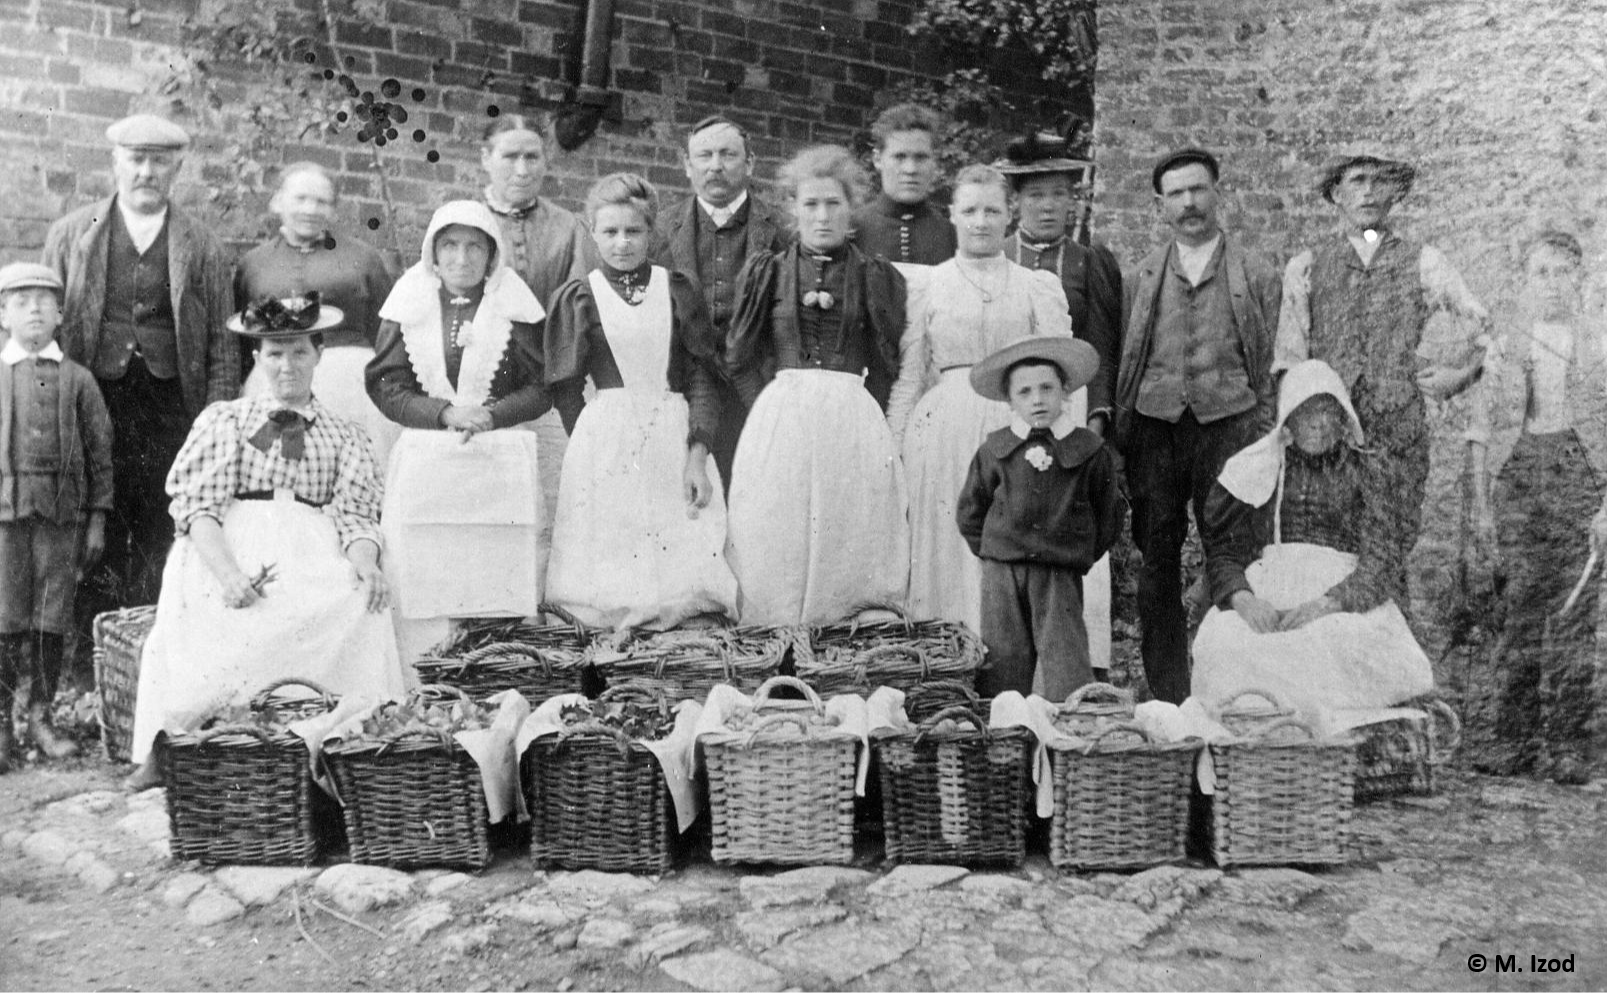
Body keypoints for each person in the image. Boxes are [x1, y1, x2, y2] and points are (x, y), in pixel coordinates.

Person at [127, 294, 407, 787]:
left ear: (319, 355)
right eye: (274, 354)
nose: (287, 366)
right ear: (257, 358)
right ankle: (173, 742)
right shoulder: (227, 420)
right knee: (206, 611)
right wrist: (228, 572)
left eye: (299, 352)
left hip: (311, 549)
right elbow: (199, 507)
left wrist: (365, 562)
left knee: (359, 600)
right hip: (230, 547)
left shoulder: (344, 435)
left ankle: (333, 746)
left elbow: (356, 515)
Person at [1274, 147, 1491, 613]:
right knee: (1333, 556)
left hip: (1397, 437)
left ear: (1395, 193)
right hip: (1329, 442)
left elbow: (1485, 328)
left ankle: (1396, 671)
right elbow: (1290, 362)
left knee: (1388, 555)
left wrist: (1460, 373)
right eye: (1357, 181)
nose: (1369, 191)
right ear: (1336, 194)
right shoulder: (1308, 266)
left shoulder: (1424, 261)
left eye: (1379, 181)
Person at [41, 114, 237, 612]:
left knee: (160, 520)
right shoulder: (71, 235)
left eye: (160, 161)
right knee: (92, 517)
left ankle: (149, 643)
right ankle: (90, 650)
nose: (147, 171)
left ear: (177, 169)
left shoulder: (203, 246)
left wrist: (214, 422)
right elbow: (45, 328)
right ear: (116, 163)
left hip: (170, 404)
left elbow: (221, 342)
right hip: (95, 396)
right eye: (137, 159)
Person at [1113, 147, 1281, 705]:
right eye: (1176, 193)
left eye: (1198, 190)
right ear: (1160, 205)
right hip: (1155, 429)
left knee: (1230, 555)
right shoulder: (1140, 277)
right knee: (1157, 560)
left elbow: (1271, 360)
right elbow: (1127, 359)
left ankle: (1224, 685)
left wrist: (1262, 427)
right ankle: (1169, 695)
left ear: (1218, 194)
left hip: (1227, 427)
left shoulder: (1255, 274)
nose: (1189, 203)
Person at [725, 144, 911, 626]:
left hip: (852, 420)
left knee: (846, 532)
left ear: (852, 211)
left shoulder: (875, 277)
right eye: (811, 204)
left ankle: (839, 652)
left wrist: (869, 421)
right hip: (780, 421)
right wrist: (768, 410)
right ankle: (773, 645)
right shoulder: (768, 271)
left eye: (834, 204)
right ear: (793, 209)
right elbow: (739, 358)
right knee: (777, 532)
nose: (822, 215)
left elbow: (888, 367)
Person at [544, 173, 739, 630]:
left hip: (672, 435)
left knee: (682, 563)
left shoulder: (675, 289)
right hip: (606, 442)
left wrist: (697, 452)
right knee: (609, 570)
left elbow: (701, 379)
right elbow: (565, 387)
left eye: (634, 231)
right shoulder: (580, 296)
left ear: (651, 233)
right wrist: (593, 438)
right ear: (592, 233)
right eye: (609, 232)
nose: (622, 243)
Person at [886, 164, 1074, 635]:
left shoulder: (1035, 285)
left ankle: (1009, 664)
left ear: (1010, 216)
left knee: (1012, 544)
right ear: (952, 214)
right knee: (948, 542)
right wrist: (894, 449)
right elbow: (909, 376)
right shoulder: (929, 285)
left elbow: (1059, 374)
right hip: (944, 429)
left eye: (992, 210)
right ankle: (945, 662)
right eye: (970, 210)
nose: (981, 221)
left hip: (1017, 428)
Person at [1193, 359, 1432, 722]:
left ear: (1343, 418)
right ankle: (1256, 744)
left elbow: (1381, 559)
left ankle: (1331, 750)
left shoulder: (1364, 471)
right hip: (1268, 585)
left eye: (1327, 410)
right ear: (1288, 418)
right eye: (1307, 411)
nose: (1319, 422)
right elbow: (1225, 549)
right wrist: (1242, 599)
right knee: (1225, 640)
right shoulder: (1261, 468)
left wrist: (1328, 603)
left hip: (1340, 594)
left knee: (1337, 641)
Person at [366, 200, 549, 660]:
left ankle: (496, 668)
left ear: (492, 255)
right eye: (450, 246)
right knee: (426, 567)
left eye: (474, 247)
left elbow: (542, 385)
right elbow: (386, 385)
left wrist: (493, 413)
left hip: (497, 459)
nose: (461, 259)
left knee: (493, 570)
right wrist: (444, 413)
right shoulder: (409, 302)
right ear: (433, 251)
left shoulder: (514, 303)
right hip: (428, 459)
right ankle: (425, 667)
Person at [1469, 230, 1602, 784]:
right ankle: (1512, 740)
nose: (1552, 284)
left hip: (1580, 474)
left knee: (1575, 610)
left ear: (1579, 279)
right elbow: (1480, 430)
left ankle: (1568, 744)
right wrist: (1480, 505)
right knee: (1518, 604)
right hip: (1521, 472)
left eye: (1562, 272)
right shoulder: (1505, 345)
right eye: (1541, 273)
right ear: (1525, 281)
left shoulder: (1598, 345)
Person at [956, 336, 1123, 699]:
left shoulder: (1088, 450)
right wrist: (994, 550)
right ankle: (1007, 738)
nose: (1037, 399)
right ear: (1010, 400)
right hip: (1003, 572)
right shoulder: (995, 449)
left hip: (1058, 571)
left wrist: (1076, 552)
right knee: (1003, 660)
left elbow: (1108, 513)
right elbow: (971, 510)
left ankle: (1070, 737)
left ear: (1065, 391)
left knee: (1067, 659)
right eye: (1025, 391)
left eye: (1047, 388)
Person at [0, 263, 112, 770]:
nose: (34, 312)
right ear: (3, 313)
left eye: (45, 302)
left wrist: (96, 518)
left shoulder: (78, 380)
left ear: (62, 313)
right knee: (4, 620)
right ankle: (2, 723)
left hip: (61, 519)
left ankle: (41, 717)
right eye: (21, 302)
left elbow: (100, 453)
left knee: (50, 619)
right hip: (5, 518)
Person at [651, 116, 791, 491]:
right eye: (705, 155)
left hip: (757, 390)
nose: (715, 166)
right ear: (687, 165)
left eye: (728, 155)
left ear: (749, 164)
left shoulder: (779, 231)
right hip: (687, 394)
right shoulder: (661, 230)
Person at [234, 162, 399, 468]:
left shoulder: (362, 259)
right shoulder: (254, 264)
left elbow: (387, 334)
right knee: (282, 469)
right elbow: (243, 342)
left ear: (333, 210)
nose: (311, 209)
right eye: (300, 198)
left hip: (351, 387)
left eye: (321, 201)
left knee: (353, 467)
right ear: (277, 202)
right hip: (276, 381)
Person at [995, 131, 1124, 436]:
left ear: (1071, 200)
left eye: (1058, 194)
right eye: (1036, 195)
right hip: (1000, 405)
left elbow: (1101, 351)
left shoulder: (1090, 262)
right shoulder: (997, 257)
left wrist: (1096, 417)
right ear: (1016, 202)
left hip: (1069, 406)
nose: (1048, 205)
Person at [851, 103, 957, 265]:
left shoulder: (951, 236)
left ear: (934, 161)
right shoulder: (853, 230)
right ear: (878, 159)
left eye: (921, 157)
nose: (910, 169)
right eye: (899, 157)